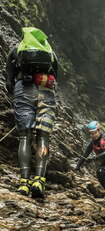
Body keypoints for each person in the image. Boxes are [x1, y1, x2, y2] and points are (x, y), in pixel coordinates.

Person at [5, 27, 58, 198]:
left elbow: (9, 77)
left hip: (24, 89)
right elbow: (56, 76)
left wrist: (15, 87)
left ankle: (24, 183)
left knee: (25, 136)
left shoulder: (18, 49)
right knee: (43, 136)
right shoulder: (50, 52)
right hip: (46, 92)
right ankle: (39, 181)